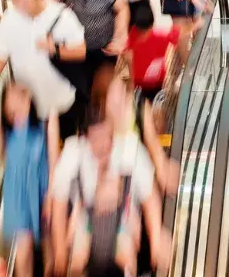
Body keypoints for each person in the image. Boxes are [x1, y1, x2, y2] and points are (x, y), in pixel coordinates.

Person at [50, 107, 167, 277]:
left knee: (127, 257)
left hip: (121, 227)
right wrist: (60, 250)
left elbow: (150, 198)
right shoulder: (73, 152)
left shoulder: (130, 150)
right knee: (76, 260)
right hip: (86, 228)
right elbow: (58, 202)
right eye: (96, 140)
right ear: (85, 138)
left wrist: (156, 239)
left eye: (107, 137)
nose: (103, 145)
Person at [0, 0, 87, 141]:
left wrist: (55, 49)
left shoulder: (63, 17)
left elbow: (81, 51)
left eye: (25, 1)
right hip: (29, 107)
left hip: (61, 103)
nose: (21, 7)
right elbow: (1, 54)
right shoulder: (10, 19)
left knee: (67, 146)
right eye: (16, 2)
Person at [0, 82, 57, 277]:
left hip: (41, 190)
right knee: (23, 253)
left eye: (17, 98)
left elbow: (53, 160)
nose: (13, 106)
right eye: (9, 101)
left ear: (27, 97)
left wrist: (51, 195)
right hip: (17, 196)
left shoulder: (46, 119)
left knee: (49, 248)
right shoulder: (6, 129)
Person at [52, 0, 129, 102]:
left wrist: (119, 36)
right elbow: (51, 2)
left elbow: (122, 8)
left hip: (104, 47)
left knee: (104, 89)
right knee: (82, 89)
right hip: (79, 47)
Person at [125, 4, 193, 101]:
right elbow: (128, 55)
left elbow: (180, 33)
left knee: (152, 107)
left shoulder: (158, 35)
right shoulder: (137, 34)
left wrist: (196, 24)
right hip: (143, 84)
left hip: (155, 83)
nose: (142, 36)